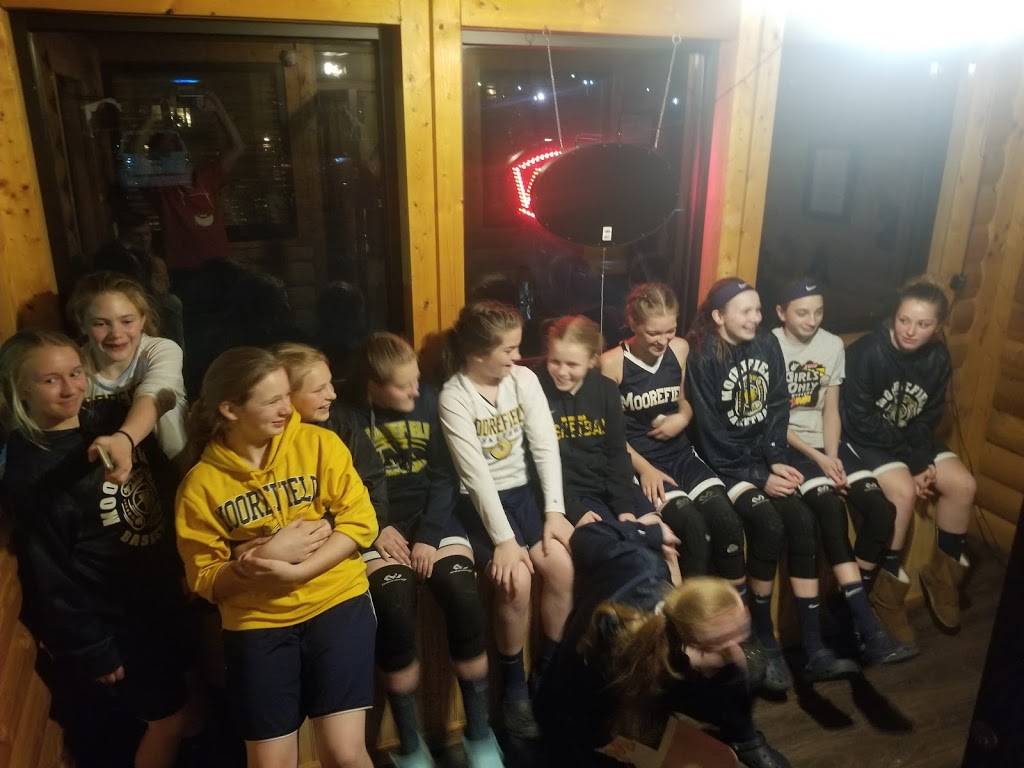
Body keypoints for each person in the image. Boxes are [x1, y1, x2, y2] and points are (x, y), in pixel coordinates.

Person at [277, 339, 501, 767]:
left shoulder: (428, 402)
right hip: (376, 526)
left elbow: (445, 475)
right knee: (394, 604)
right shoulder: (343, 419)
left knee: (462, 593)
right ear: (374, 386)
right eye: (403, 385)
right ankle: (411, 745)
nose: (417, 390)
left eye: (417, 380)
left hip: (430, 517)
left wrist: (429, 535)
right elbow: (357, 489)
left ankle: (478, 732)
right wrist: (376, 530)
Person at [175, 347, 378, 768]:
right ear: (230, 409)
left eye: (287, 395)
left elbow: (360, 523)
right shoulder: (200, 485)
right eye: (272, 401)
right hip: (257, 622)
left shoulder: (320, 444)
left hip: (336, 600)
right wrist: (261, 559)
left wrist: (298, 571)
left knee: (344, 754)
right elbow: (204, 579)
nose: (288, 408)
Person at [0, 330, 192, 768]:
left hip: (156, 601)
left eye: (75, 373)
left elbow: (157, 396)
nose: (69, 388)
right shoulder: (33, 471)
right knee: (168, 721)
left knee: (187, 707)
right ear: (21, 390)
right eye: (50, 380)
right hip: (118, 622)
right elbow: (49, 572)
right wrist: (92, 645)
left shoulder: (103, 424)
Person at [686, 277, 859, 687]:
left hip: (761, 459)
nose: (755, 318)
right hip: (724, 467)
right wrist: (759, 477)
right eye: (745, 311)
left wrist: (776, 459)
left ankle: (813, 649)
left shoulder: (765, 344)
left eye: (758, 310)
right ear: (718, 316)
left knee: (802, 519)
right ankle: (763, 640)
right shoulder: (704, 355)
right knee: (769, 523)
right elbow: (710, 435)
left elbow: (778, 405)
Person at [534, 517, 790, 768]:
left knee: (722, 753)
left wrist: (651, 533)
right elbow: (586, 536)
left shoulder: (643, 566)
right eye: (731, 640)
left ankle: (745, 740)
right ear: (698, 647)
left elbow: (587, 535)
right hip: (581, 726)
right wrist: (728, 677)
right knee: (722, 761)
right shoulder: (664, 664)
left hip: (609, 708)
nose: (741, 645)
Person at [438, 301, 574, 740]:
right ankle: (514, 691)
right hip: (481, 504)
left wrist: (554, 511)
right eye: (509, 350)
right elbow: (474, 475)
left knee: (562, 567)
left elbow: (544, 446)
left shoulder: (523, 380)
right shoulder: (454, 396)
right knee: (516, 580)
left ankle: (547, 676)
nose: (518, 357)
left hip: (523, 495)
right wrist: (504, 540)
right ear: (479, 353)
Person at [773, 279, 915, 664]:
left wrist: (833, 455)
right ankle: (867, 628)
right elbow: (772, 418)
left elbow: (831, 408)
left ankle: (846, 606)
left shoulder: (832, 345)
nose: (812, 320)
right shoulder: (770, 346)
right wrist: (819, 459)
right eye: (802, 312)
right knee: (831, 511)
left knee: (881, 510)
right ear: (781, 312)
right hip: (790, 446)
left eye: (818, 311)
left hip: (828, 444)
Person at [840, 278, 976, 642]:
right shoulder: (867, 352)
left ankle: (943, 578)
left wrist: (918, 459)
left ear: (938, 326)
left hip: (909, 439)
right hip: (867, 440)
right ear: (894, 316)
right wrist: (914, 465)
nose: (911, 331)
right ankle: (887, 596)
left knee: (963, 484)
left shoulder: (937, 357)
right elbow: (861, 421)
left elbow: (928, 416)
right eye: (904, 320)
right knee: (902, 491)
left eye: (923, 323)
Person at [600, 284, 748, 589]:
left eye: (670, 330)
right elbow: (610, 435)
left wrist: (683, 417)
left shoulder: (679, 349)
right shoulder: (612, 363)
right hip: (642, 463)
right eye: (654, 333)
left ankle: (735, 610)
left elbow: (682, 402)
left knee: (726, 521)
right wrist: (645, 470)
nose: (663, 340)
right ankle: (690, 611)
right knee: (693, 528)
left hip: (680, 454)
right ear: (633, 323)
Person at [67, 271, 188, 482]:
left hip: (176, 472)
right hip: (113, 484)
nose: (116, 333)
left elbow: (155, 395)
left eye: (127, 321)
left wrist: (125, 439)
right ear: (82, 324)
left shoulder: (161, 350)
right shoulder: (74, 365)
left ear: (142, 319)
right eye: (100, 324)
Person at [93, 208, 185, 349]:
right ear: (125, 235)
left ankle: (174, 350)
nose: (145, 239)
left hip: (145, 296)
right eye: (138, 235)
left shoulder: (143, 255)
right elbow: (114, 284)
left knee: (172, 301)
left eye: (147, 234)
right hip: (121, 298)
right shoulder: (111, 255)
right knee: (172, 304)